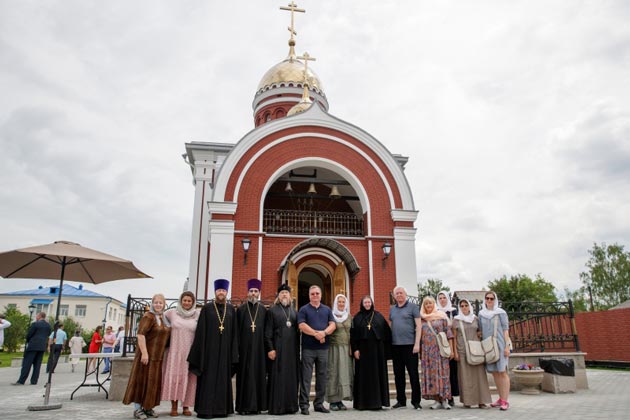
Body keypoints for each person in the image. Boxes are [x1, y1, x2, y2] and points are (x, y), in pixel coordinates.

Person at [187, 279, 238, 419]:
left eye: (223, 291)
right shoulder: (207, 308)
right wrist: (200, 353)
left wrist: (234, 354)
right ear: (215, 292)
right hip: (209, 352)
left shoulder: (231, 309)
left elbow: (235, 333)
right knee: (207, 380)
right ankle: (205, 409)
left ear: (226, 292)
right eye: (219, 291)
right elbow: (200, 331)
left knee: (223, 379)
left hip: (225, 352)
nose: (221, 293)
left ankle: (222, 410)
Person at [123, 293, 171, 420]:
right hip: (146, 356)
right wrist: (144, 353)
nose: (158, 305)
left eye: (160, 303)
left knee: (152, 383)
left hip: (157, 357)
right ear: (152, 304)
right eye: (156, 302)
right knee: (141, 381)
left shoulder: (163, 318)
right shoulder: (148, 316)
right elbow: (141, 335)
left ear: (164, 304)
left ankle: (148, 407)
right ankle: (138, 409)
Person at [298, 285, 336, 415]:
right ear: (309, 296)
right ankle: (304, 405)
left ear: (320, 295)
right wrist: (317, 334)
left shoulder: (327, 310)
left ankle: (319, 404)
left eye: (317, 293)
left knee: (322, 377)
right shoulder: (304, 309)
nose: (315, 296)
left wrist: (324, 333)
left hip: (323, 349)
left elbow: (333, 324)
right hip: (308, 349)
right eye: (312, 294)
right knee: (306, 378)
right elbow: (302, 325)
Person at [162, 291, 199, 417]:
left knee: (189, 379)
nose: (187, 303)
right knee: (175, 378)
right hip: (175, 351)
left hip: (190, 352)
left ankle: (186, 406)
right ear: (181, 301)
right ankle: (174, 405)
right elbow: (159, 317)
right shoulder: (172, 313)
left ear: (193, 302)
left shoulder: (196, 315)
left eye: (189, 301)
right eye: (185, 300)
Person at [351, 295, 391, 410]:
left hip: (378, 352)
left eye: (369, 302)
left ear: (372, 303)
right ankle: (362, 403)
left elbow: (387, 333)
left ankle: (378, 402)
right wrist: (355, 349)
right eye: (365, 303)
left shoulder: (379, 316)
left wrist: (386, 352)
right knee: (363, 377)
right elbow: (353, 336)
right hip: (362, 352)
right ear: (362, 304)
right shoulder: (357, 318)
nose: (367, 304)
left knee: (378, 376)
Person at [265, 283, 300, 415]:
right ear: (278, 296)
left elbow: (298, 332)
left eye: (286, 293)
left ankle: (291, 407)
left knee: (291, 378)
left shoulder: (294, 312)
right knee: (278, 378)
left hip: (292, 352)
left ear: (290, 296)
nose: (284, 295)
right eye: (282, 293)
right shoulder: (272, 311)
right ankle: (277, 407)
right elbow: (267, 332)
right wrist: (270, 349)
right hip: (278, 350)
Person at [236, 279, 268, 414]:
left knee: (258, 377)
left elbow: (267, 331)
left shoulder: (263, 310)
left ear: (259, 293)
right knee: (244, 377)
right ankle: (243, 407)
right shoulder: (241, 309)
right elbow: (236, 331)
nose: (253, 294)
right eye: (251, 291)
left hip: (259, 350)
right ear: (247, 292)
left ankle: (258, 406)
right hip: (244, 350)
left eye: (256, 291)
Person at [452, 298, 491, 408]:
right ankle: (468, 401)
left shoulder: (475, 319)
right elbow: (454, 337)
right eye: (462, 306)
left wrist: (479, 334)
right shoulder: (456, 320)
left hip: (476, 350)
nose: (464, 307)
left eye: (466, 305)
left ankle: (481, 401)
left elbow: (480, 332)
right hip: (462, 350)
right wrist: (455, 352)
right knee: (465, 377)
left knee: (479, 376)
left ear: (469, 306)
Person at [388, 286, 422, 409]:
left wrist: (417, 343)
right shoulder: (392, 309)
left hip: (410, 346)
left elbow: (419, 326)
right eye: (396, 293)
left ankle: (416, 401)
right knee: (398, 375)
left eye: (401, 293)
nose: (399, 295)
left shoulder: (413, 307)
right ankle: (401, 400)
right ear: (394, 296)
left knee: (413, 374)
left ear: (405, 294)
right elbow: (391, 327)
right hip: (396, 346)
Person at [420, 296, 454, 410]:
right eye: (426, 304)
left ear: (434, 304)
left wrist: (451, 350)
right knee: (432, 375)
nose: (428, 305)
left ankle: (445, 400)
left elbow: (449, 334)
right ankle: (436, 400)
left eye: (430, 303)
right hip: (427, 352)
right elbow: (420, 337)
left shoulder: (441, 317)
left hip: (440, 351)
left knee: (443, 374)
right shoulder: (422, 319)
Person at [479, 291, 511, 411]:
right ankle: (500, 398)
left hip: (500, 344)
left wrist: (507, 346)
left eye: (491, 299)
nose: (489, 301)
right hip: (488, 346)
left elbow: (505, 329)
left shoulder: (500, 313)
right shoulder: (481, 314)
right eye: (487, 298)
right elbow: (481, 330)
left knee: (502, 371)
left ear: (495, 300)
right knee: (495, 372)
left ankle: (505, 400)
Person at [326, 294, 353, 411]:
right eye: (339, 302)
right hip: (333, 348)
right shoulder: (331, 316)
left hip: (346, 349)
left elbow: (352, 332)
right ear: (335, 303)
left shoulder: (349, 316)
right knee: (333, 373)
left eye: (343, 302)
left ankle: (340, 400)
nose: (341, 304)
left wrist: (352, 347)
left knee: (344, 374)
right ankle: (333, 401)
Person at [13, 311, 51, 385]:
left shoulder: (35, 324)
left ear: (39, 316)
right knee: (37, 365)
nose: (36, 317)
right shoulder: (48, 325)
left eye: (37, 316)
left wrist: (28, 340)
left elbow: (29, 334)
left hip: (33, 345)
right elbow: (48, 334)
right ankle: (34, 381)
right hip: (42, 346)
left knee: (27, 363)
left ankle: (21, 380)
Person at [436, 290, 459, 406]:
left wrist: (453, 349)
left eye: (444, 298)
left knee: (451, 372)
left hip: (450, 343)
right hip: (439, 344)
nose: (442, 300)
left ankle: (450, 397)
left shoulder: (453, 311)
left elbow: (455, 329)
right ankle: (441, 396)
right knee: (440, 372)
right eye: (440, 298)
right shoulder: (436, 312)